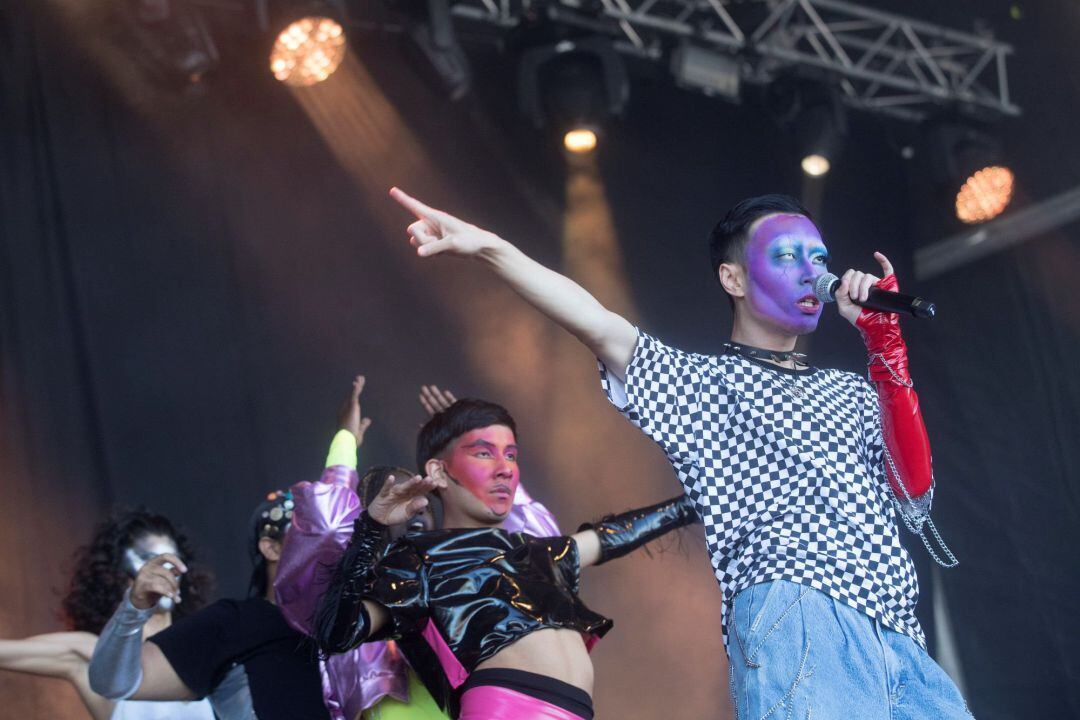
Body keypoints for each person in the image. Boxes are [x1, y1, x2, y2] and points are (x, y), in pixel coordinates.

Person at [386, 188, 969, 719]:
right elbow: (594, 321)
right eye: (787, 256)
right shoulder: (697, 385)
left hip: (897, 631)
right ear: (733, 279)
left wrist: (884, 342)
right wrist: (488, 248)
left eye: (819, 259)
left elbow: (913, 494)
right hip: (799, 613)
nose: (813, 272)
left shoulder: (849, 390)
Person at [314, 397, 698, 719]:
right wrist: (371, 527)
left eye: (511, 455)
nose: (505, 469)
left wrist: (694, 502)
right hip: (508, 707)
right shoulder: (420, 558)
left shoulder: (534, 551)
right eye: (484, 453)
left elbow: (610, 537)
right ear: (438, 472)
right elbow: (337, 631)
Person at [275, 376, 560, 720]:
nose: (416, 505)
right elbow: (325, 526)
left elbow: (539, 544)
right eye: (399, 494)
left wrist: (468, 452)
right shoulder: (342, 601)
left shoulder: (455, 585)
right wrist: (344, 444)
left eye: (423, 497)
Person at [88, 491, 330, 720]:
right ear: (271, 547)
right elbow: (112, 682)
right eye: (309, 533)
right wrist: (134, 608)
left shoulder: (347, 627)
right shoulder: (235, 622)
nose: (325, 545)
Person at [0, 509, 214, 720]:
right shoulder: (91, 654)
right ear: (119, 576)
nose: (164, 572)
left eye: (172, 562)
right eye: (150, 562)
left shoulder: (204, 646)